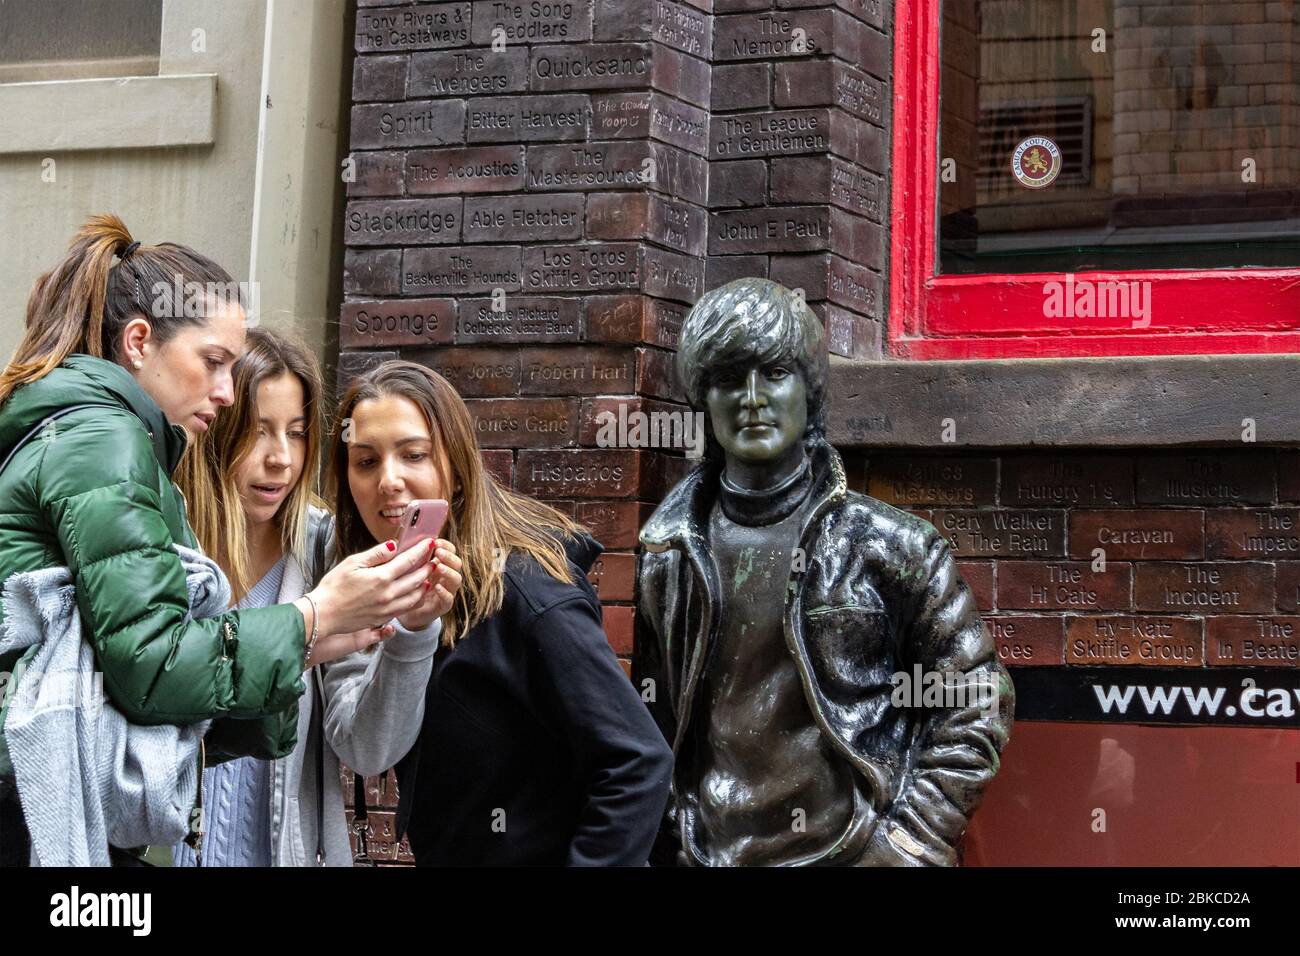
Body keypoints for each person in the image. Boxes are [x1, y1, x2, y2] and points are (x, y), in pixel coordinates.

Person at [0, 215, 440, 866]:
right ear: (140, 342)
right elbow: (151, 666)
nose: (226, 391)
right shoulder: (104, 437)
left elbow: (150, 698)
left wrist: (307, 644)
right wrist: (309, 617)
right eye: (213, 362)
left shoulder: (98, 436)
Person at [635, 277, 1014, 866]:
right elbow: (654, 718)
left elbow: (977, 701)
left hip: (848, 853)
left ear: (809, 393)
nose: (753, 397)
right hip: (708, 853)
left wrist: (907, 844)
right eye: (730, 380)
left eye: (775, 375)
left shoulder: (893, 546)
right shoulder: (668, 553)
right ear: (703, 401)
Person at [329, 360, 673, 865]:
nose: (389, 481)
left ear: (458, 465)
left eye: (414, 455)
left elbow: (637, 760)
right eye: (365, 461)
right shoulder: (389, 589)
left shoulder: (527, 588)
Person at [170, 327, 463, 866]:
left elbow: (366, 747)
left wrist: (413, 634)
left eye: (297, 432)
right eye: (258, 432)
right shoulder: (165, 547)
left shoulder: (323, 550)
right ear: (216, 428)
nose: (281, 458)